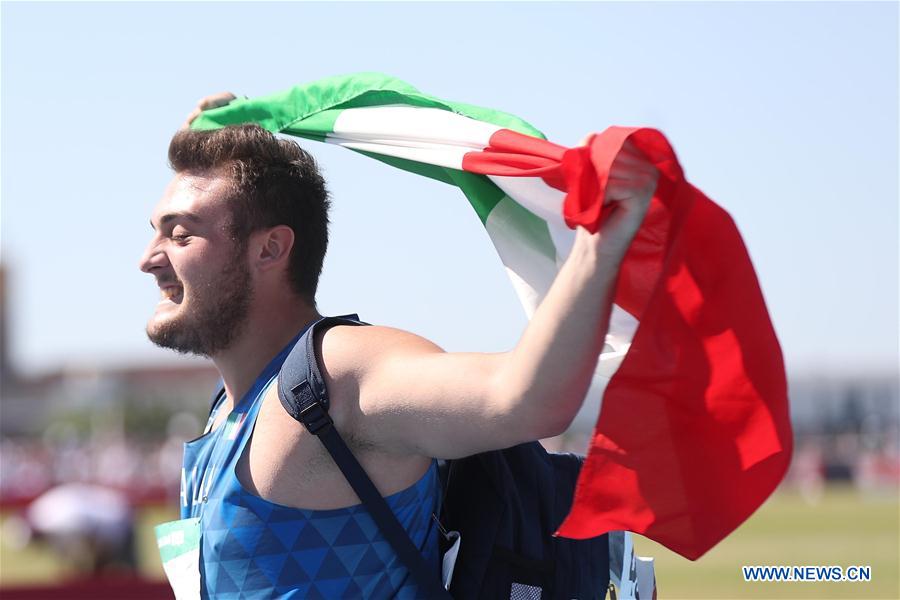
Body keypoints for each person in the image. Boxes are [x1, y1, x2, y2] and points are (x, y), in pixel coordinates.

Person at [142, 94, 658, 598]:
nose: (149, 259)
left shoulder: (340, 373)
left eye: (180, 235)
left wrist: (599, 244)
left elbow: (523, 400)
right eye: (155, 233)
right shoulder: (226, 408)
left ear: (271, 249)